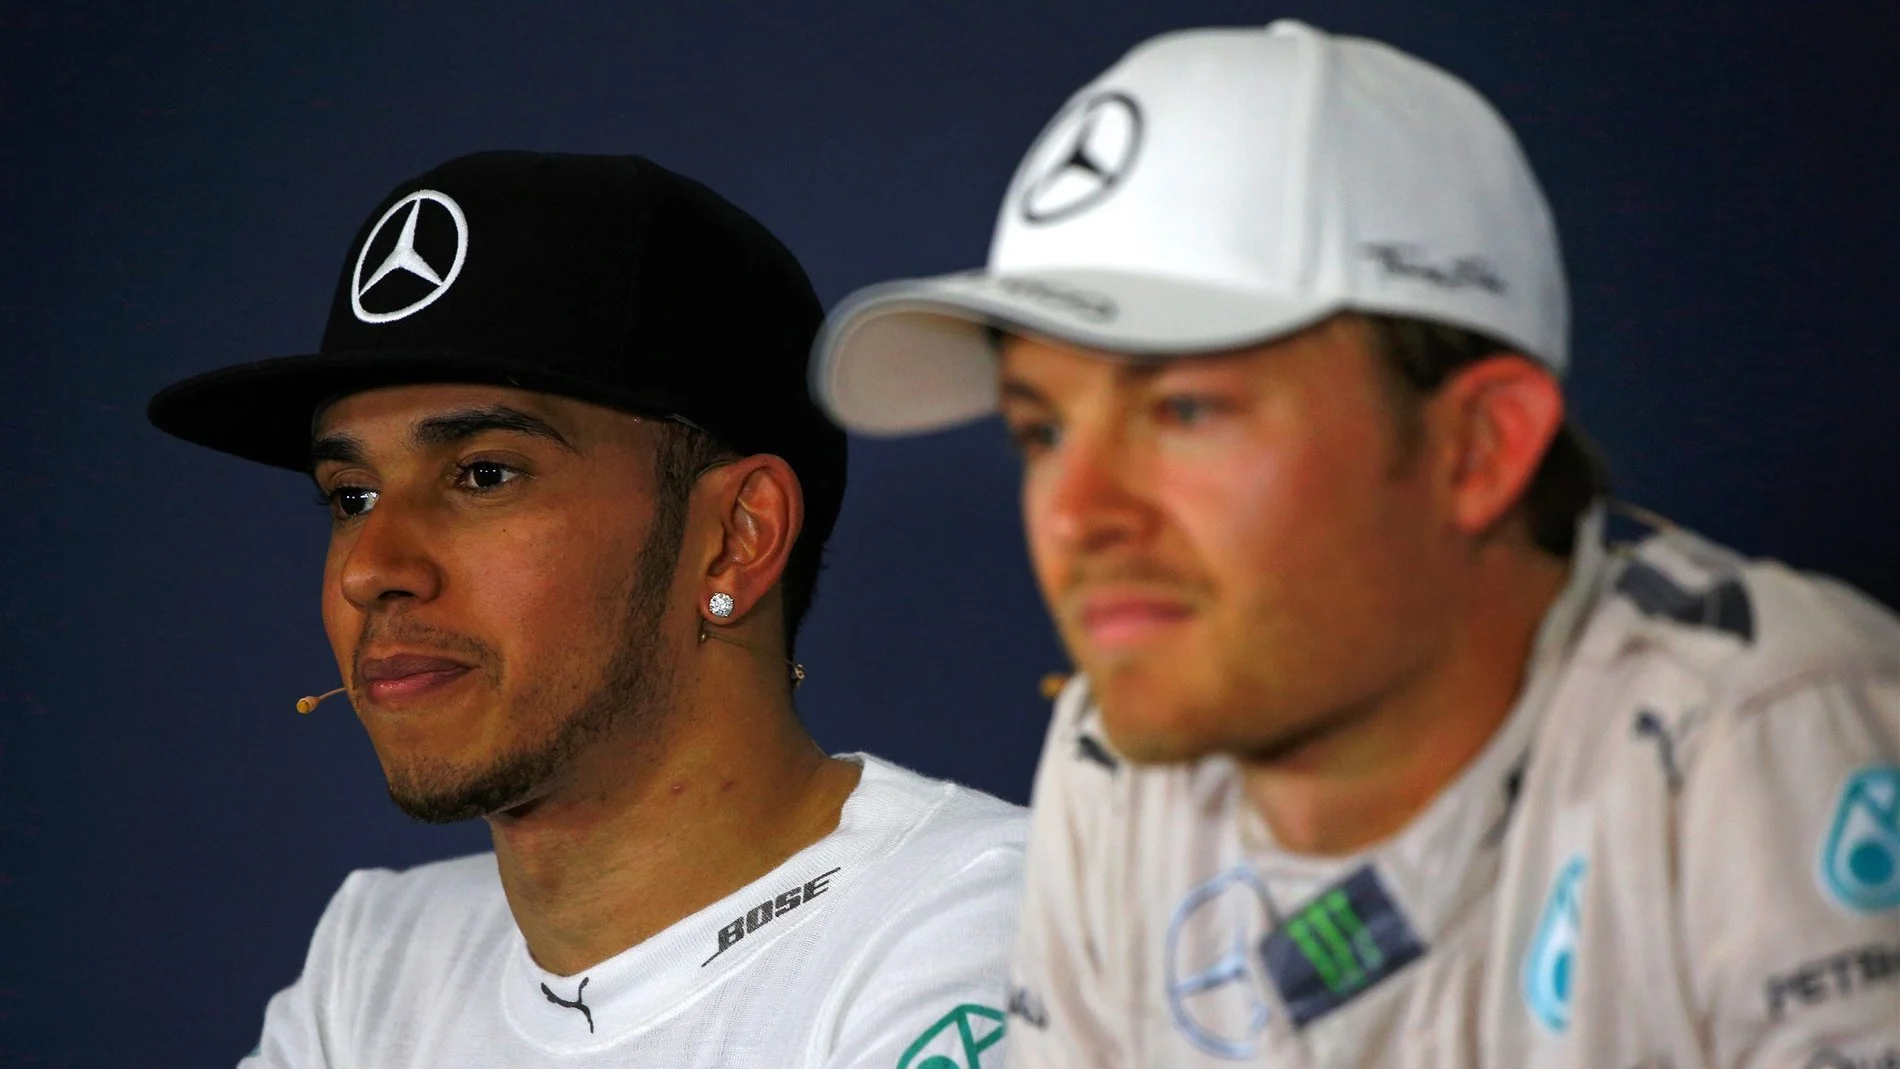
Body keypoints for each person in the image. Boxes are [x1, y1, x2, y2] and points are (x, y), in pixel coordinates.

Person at [811, 20, 1900, 1068]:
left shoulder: (1770, 729)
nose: (1074, 513)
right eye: (1041, 429)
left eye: (1184, 410)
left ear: (1475, 446)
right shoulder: (1110, 755)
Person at [149, 151, 1022, 1069]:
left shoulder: (998, 937)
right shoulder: (375, 964)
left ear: (736, 536)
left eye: (484, 474)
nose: (372, 568)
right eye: (350, 495)